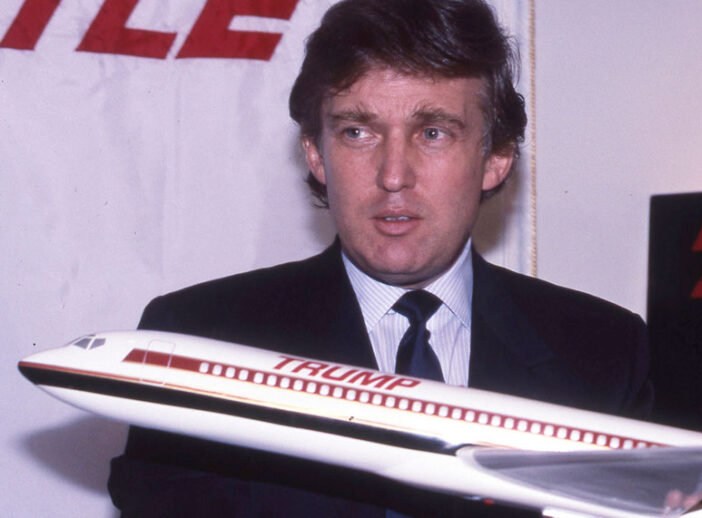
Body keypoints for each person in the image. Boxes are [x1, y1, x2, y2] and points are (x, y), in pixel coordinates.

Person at [109, 0, 652, 516]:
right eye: (358, 132)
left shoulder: (602, 354)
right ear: (316, 154)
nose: (393, 175)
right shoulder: (197, 343)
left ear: (496, 157)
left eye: (433, 133)